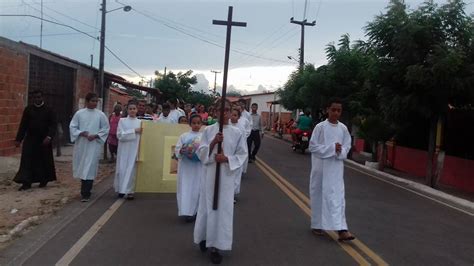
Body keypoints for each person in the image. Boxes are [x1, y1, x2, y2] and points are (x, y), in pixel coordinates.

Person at [194, 99, 248, 264]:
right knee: (207, 207)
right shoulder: (209, 130)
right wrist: (213, 143)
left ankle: (216, 246)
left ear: (230, 112)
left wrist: (226, 158)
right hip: (210, 175)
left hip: (226, 178)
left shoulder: (237, 132)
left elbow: (242, 154)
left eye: (227, 110)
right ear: (215, 112)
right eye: (220, 110)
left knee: (221, 210)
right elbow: (201, 152)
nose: (223, 113)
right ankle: (204, 237)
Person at [308, 97, 354, 241]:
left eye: (338, 110)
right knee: (319, 196)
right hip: (321, 170)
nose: (335, 113)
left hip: (335, 170)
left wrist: (340, 151)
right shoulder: (320, 127)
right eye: (333, 110)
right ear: (327, 110)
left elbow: (347, 146)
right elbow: (313, 146)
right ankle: (317, 224)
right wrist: (331, 148)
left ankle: (342, 229)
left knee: (337, 198)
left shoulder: (343, 128)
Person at [69, 93, 110, 202]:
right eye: (92, 101)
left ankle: (86, 193)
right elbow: (73, 127)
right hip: (82, 144)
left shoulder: (100, 115)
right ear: (87, 101)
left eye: (96, 101)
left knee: (90, 167)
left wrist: (96, 135)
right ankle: (84, 190)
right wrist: (82, 133)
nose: (94, 103)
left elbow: (106, 128)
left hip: (93, 144)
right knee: (83, 166)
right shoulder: (79, 114)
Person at [14, 90, 57, 190]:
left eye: (39, 97)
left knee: (43, 160)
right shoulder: (28, 109)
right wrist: (18, 139)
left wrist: (49, 136)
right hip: (30, 139)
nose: (37, 99)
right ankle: (26, 182)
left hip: (44, 139)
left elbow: (53, 125)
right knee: (27, 161)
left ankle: (43, 179)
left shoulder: (49, 110)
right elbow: (23, 125)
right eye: (35, 97)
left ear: (42, 97)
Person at [175, 114, 203, 222]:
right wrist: (181, 151)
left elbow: (205, 151)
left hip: (197, 167)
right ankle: (185, 210)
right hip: (186, 168)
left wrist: (198, 155)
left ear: (201, 124)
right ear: (190, 124)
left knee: (197, 188)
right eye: (194, 123)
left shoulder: (203, 136)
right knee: (185, 188)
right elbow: (178, 149)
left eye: (198, 123)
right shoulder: (184, 136)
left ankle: (195, 212)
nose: (196, 125)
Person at [114, 101, 142, 200]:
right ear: (127, 110)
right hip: (124, 149)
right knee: (122, 168)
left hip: (135, 148)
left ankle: (130, 191)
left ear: (137, 110)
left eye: (134, 108)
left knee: (132, 170)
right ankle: (121, 189)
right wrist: (134, 131)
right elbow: (119, 135)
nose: (132, 110)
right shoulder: (122, 121)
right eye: (130, 109)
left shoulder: (140, 122)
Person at [229, 108, 249, 198]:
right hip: (227, 153)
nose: (233, 117)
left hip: (236, 154)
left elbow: (243, 143)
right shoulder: (226, 125)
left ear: (239, 117)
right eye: (231, 114)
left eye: (235, 115)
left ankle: (233, 194)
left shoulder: (241, 128)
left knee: (236, 175)